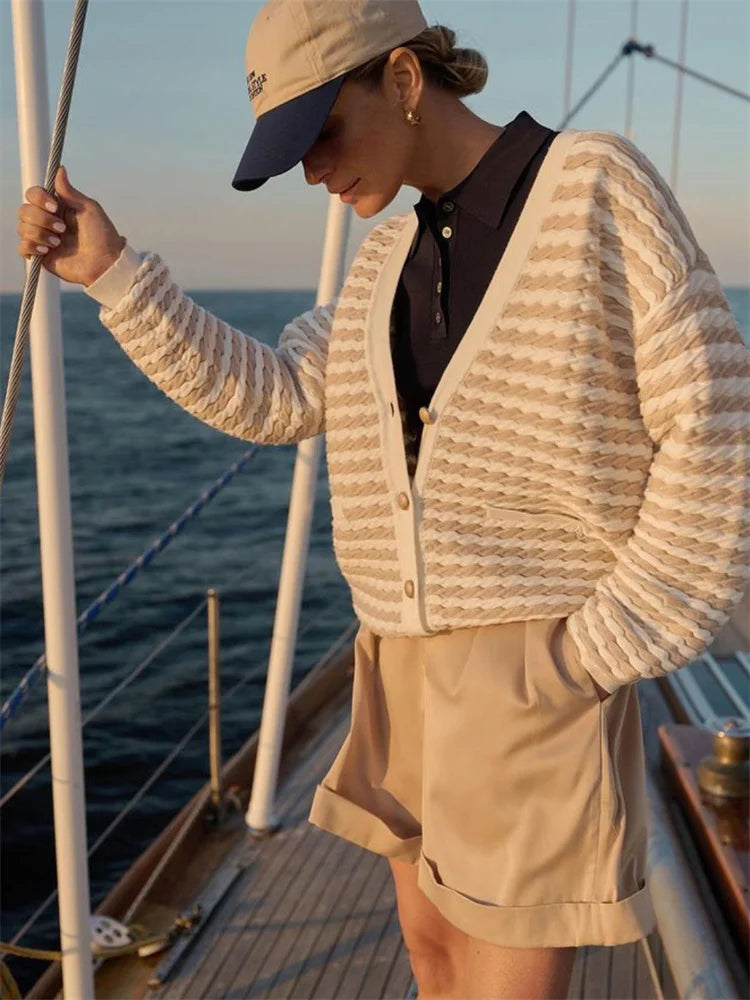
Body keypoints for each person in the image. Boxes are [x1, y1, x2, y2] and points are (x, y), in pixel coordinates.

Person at [15, 1, 750, 997]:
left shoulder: (593, 186)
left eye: (319, 132)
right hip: (396, 662)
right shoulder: (384, 260)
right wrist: (110, 271)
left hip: (533, 666)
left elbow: (718, 429)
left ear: (404, 80)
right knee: (433, 959)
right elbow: (275, 394)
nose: (312, 169)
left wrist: (585, 655)